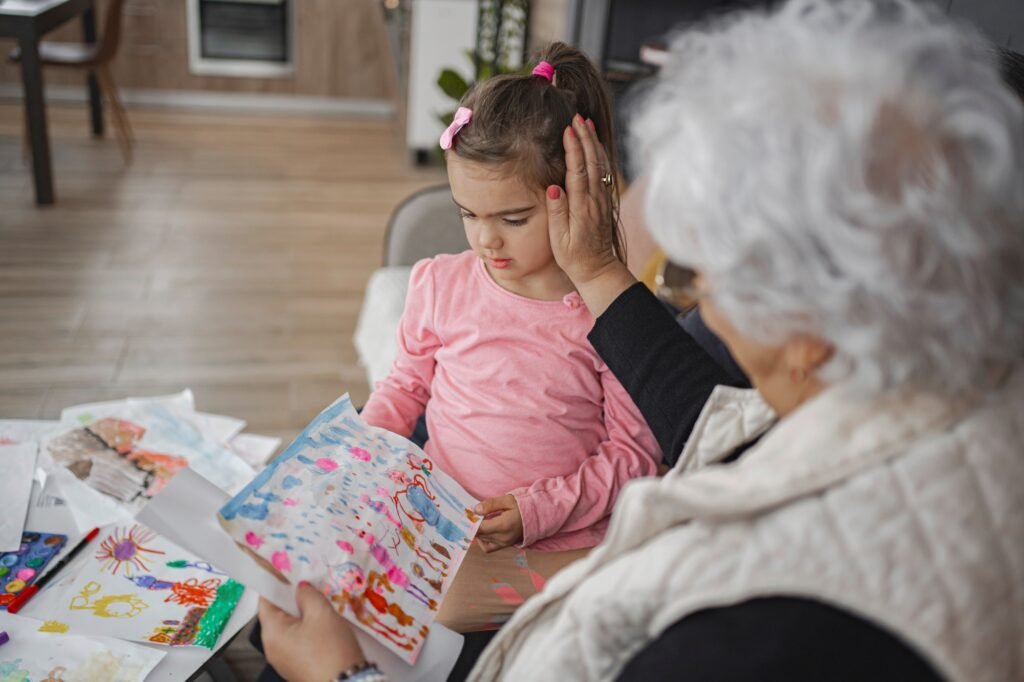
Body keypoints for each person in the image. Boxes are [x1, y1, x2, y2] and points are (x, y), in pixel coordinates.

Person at [258, 1, 1024, 680]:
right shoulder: (944, 408)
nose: (705, 308)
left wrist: (344, 676)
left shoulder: (793, 622)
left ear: (815, 332)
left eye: (718, 274)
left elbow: (648, 454)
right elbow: (706, 429)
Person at [356, 42, 671, 633]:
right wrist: (362, 451)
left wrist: (534, 513)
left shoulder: (610, 316)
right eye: (467, 214)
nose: (486, 242)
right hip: (434, 524)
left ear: (577, 196)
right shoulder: (437, 283)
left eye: (512, 219)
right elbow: (404, 388)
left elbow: (634, 457)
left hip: (552, 547)